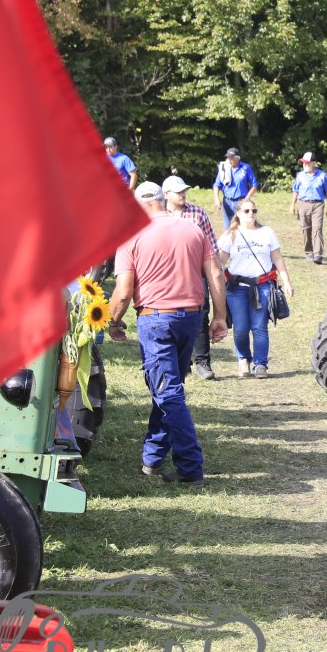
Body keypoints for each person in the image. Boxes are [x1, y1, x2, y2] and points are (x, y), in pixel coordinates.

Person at [106, 181, 229, 486]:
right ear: (162, 200)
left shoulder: (131, 236)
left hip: (156, 319)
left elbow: (123, 291)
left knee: (168, 392)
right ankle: (152, 458)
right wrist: (220, 317)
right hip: (191, 318)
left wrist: (112, 322)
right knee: (168, 387)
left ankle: (190, 467)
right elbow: (215, 273)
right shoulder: (193, 229)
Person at [218, 197, 293, 379]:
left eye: (253, 210)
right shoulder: (231, 235)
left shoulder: (267, 232)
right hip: (237, 287)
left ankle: (260, 364)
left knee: (260, 327)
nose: (251, 214)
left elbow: (277, 258)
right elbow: (219, 262)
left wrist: (287, 281)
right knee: (240, 328)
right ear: (238, 213)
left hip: (262, 286)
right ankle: (243, 358)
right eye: (246, 211)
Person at [161, 174, 224, 381]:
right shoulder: (159, 215)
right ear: (166, 194)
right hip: (169, 274)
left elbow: (212, 246)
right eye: (178, 191)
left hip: (197, 272)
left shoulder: (197, 213)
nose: (182, 194)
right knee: (171, 315)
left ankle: (203, 361)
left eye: (184, 191)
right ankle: (183, 362)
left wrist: (217, 270)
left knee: (200, 314)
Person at [290, 151, 327, 263]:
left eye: (307, 162)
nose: (304, 164)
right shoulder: (300, 176)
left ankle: (318, 254)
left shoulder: (322, 176)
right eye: (303, 162)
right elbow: (295, 190)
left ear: (314, 163)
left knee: (317, 229)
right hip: (303, 204)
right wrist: (292, 205)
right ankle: (309, 252)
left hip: (318, 205)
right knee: (306, 229)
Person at [212, 147, 259, 225]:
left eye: (231, 158)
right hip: (227, 202)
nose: (229, 160)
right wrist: (216, 199)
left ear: (237, 158)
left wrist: (247, 198)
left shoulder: (246, 168)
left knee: (242, 225)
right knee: (228, 227)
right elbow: (216, 185)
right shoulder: (223, 168)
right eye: (228, 158)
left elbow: (254, 184)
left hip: (241, 202)